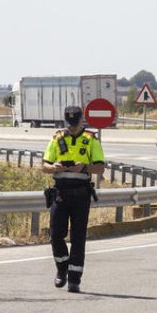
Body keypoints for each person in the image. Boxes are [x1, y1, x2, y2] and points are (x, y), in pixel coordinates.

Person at [41, 105, 106, 293]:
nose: (72, 127)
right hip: (60, 193)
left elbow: (100, 168)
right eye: (69, 124)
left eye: (75, 123)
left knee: (78, 238)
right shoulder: (57, 138)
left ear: (81, 120)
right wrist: (54, 167)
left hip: (81, 194)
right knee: (55, 235)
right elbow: (44, 165)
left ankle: (74, 278)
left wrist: (84, 168)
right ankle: (62, 268)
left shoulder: (91, 139)